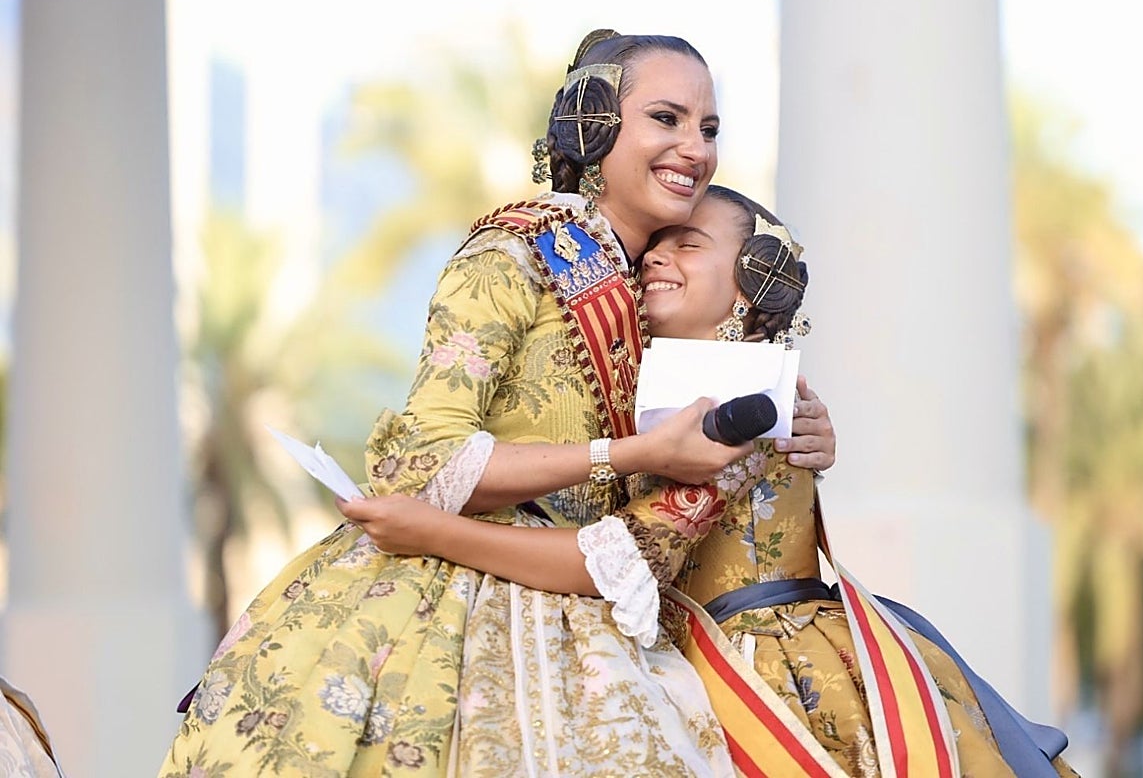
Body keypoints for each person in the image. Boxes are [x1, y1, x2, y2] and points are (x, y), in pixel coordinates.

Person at [160, 30, 834, 777]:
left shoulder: (658, 294)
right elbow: (421, 460)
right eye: (666, 119)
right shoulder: (512, 253)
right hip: (443, 602)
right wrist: (627, 454)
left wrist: (799, 430)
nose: (695, 148)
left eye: (708, 128)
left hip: (592, 610)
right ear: (593, 123)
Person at [343, 186, 1077, 778]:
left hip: (765, 668)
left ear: (750, 284)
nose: (657, 259)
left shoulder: (731, 392)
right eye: (655, 248)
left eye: (688, 245)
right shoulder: (700, 383)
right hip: (706, 649)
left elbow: (619, 562)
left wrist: (432, 531)